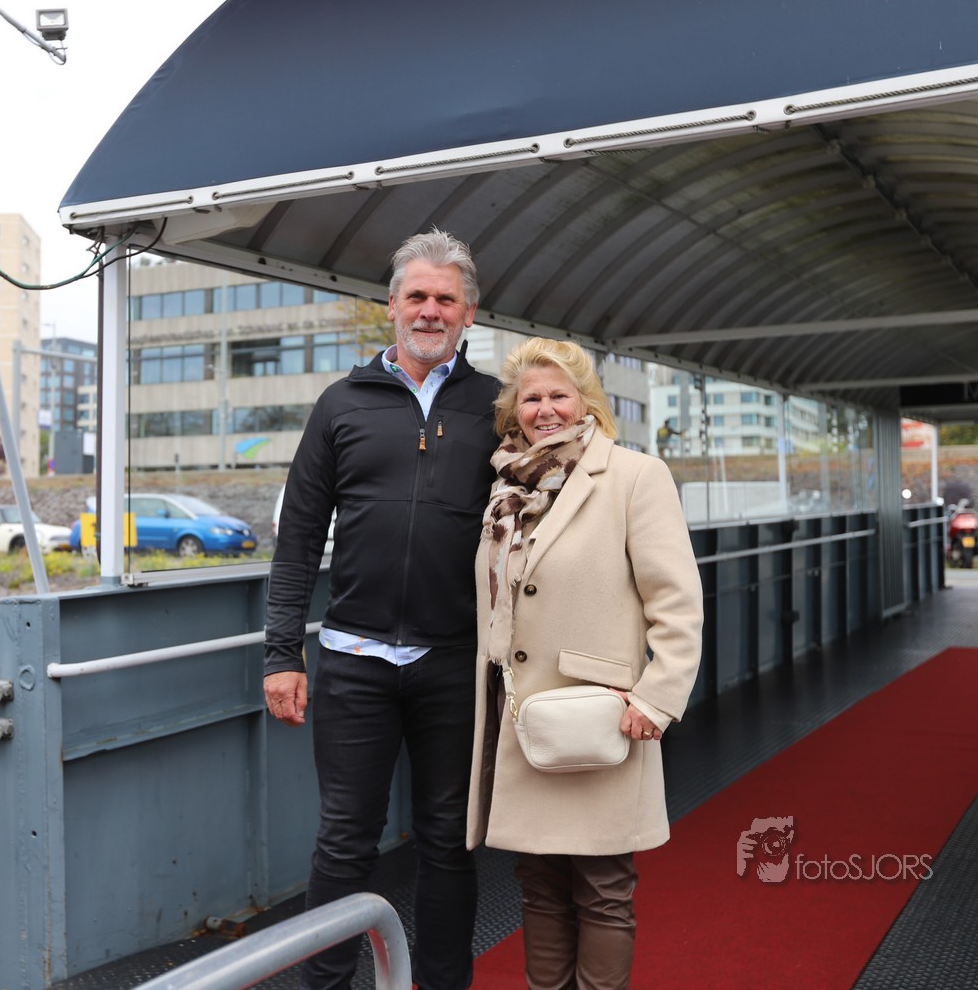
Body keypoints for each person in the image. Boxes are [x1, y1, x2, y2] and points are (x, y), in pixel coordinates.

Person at [265, 228, 500, 990]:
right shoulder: (341, 404)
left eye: (446, 299)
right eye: (417, 296)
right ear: (391, 305)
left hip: (454, 663)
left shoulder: (495, 407)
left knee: (448, 842)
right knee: (343, 844)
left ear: (468, 313)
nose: (430, 310)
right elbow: (299, 538)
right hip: (354, 662)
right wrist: (281, 654)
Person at [468, 337, 702, 990]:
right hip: (521, 716)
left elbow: (677, 602)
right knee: (539, 883)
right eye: (530, 398)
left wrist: (657, 697)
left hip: (600, 715)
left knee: (603, 886)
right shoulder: (506, 486)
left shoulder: (634, 476)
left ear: (586, 403)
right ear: (514, 412)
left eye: (558, 395)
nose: (544, 409)